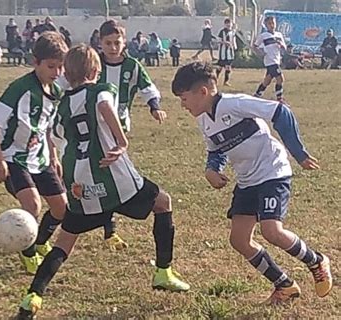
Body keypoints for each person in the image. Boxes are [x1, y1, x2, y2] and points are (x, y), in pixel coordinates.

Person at [17, 44, 190, 319]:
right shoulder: (100, 91)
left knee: (65, 242)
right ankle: (163, 272)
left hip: (78, 178)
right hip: (112, 172)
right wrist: (121, 141)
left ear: (67, 73)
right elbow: (105, 107)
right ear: (96, 71)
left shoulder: (61, 101)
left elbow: (52, 133)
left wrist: (53, 156)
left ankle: (33, 296)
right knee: (162, 202)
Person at [171, 61, 332, 305]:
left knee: (271, 231)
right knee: (239, 240)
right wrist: (211, 170)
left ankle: (316, 261)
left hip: (272, 172)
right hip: (247, 181)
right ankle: (284, 285)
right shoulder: (204, 119)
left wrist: (298, 152)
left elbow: (280, 112)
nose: (183, 106)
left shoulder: (234, 104)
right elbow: (216, 149)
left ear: (202, 92)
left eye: (184, 99)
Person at [0, 31, 69, 275]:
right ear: (36, 62)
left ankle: (40, 240)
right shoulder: (19, 89)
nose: (57, 72)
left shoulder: (55, 92)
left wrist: (53, 156)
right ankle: (28, 251)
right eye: (51, 66)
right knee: (32, 204)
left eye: (60, 67)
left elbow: (47, 127)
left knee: (62, 208)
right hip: (14, 159)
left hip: (40, 160)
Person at [98, 19, 166, 250]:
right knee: (107, 176)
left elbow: (148, 88)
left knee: (109, 175)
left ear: (124, 42)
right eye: (108, 43)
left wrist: (154, 106)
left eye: (117, 42)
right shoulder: (94, 64)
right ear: (101, 43)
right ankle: (109, 229)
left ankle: (108, 227)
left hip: (119, 129)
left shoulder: (132, 66)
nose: (113, 47)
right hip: (95, 128)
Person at [253, 16, 286, 101]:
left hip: (277, 59)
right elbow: (255, 46)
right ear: (266, 25)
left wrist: (282, 45)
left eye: (273, 23)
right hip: (270, 61)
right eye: (269, 23)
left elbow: (284, 47)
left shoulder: (279, 35)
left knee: (267, 81)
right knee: (280, 78)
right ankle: (280, 99)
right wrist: (260, 53)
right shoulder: (263, 36)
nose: (272, 25)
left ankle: (257, 95)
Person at [216, 18, 236, 86]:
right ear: (225, 24)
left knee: (228, 67)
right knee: (219, 67)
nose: (229, 25)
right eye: (227, 23)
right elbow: (218, 40)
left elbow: (233, 41)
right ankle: (216, 79)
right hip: (222, 53)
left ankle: (226, 81)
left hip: (230, 53)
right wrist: (225, 42)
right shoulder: (222, 32)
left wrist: (234, 47)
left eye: (230, 23)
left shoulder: (232, 32)